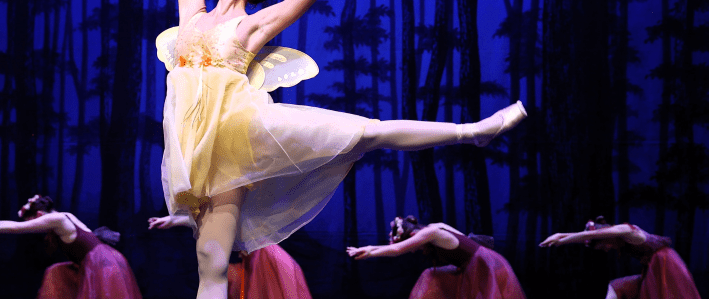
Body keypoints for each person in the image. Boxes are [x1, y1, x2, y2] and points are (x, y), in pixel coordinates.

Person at [158, 0, 528, 298]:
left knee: (367, 132)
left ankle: (474, 131)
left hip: (240, 133)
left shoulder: (251, 25)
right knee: (209, 265)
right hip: (195, 146)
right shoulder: (191, 12)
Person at [0, 195, 142, 299]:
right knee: (56, 272)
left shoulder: (57, 219)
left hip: (102, 265)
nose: (36, 225)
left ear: (39, 215)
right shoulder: (66, 216)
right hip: (103, 260)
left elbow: (17, 228)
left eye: (34, 220)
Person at [348, 216, 525, 299]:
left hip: (483, 264)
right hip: (475, 262)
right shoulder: (435, 227)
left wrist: (369, 250)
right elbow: (465, 239)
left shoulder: (430, 233)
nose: (415, 249)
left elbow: (396, 249)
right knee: (430, 275)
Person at [149, 214, 312, 299]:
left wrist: (174, 220)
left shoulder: (265, 259)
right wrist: (173, 220)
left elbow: (211, 219)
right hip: (256, 255)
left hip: (266, 257)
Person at [540, 216, 702, 299]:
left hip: (665, 265)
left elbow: (594, 233)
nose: (605, 250)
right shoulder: (620, 239)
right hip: (652, 268)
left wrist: (563, 238)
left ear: (607, 238)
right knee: (616, 287)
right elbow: (595, 235)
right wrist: (563, 237)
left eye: (603, 246)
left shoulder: (628, 231)